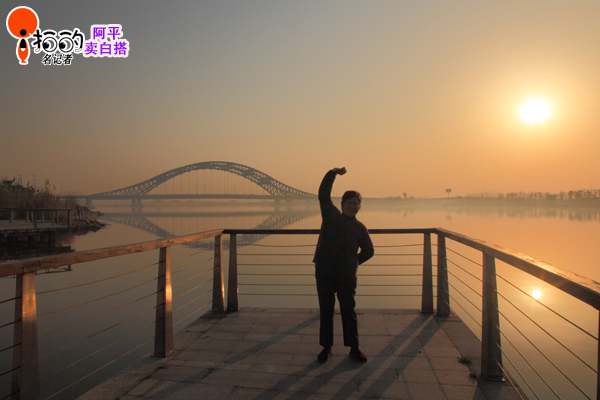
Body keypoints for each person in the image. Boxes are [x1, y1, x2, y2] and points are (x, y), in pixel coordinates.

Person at [313, 167, 374, 363]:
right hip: (324, 272)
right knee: (326, 311)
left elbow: (369, 251)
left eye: (355, 203)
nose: (352, 206)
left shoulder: (360, 228)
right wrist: (332, 173)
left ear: (359, 207)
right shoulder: (330, 215)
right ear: (342, 204)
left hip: (347, 276)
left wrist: (354, 262)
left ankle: (354, 348)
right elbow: (323, 194)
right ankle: (327, 347)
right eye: (349, 203)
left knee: (349, 312)